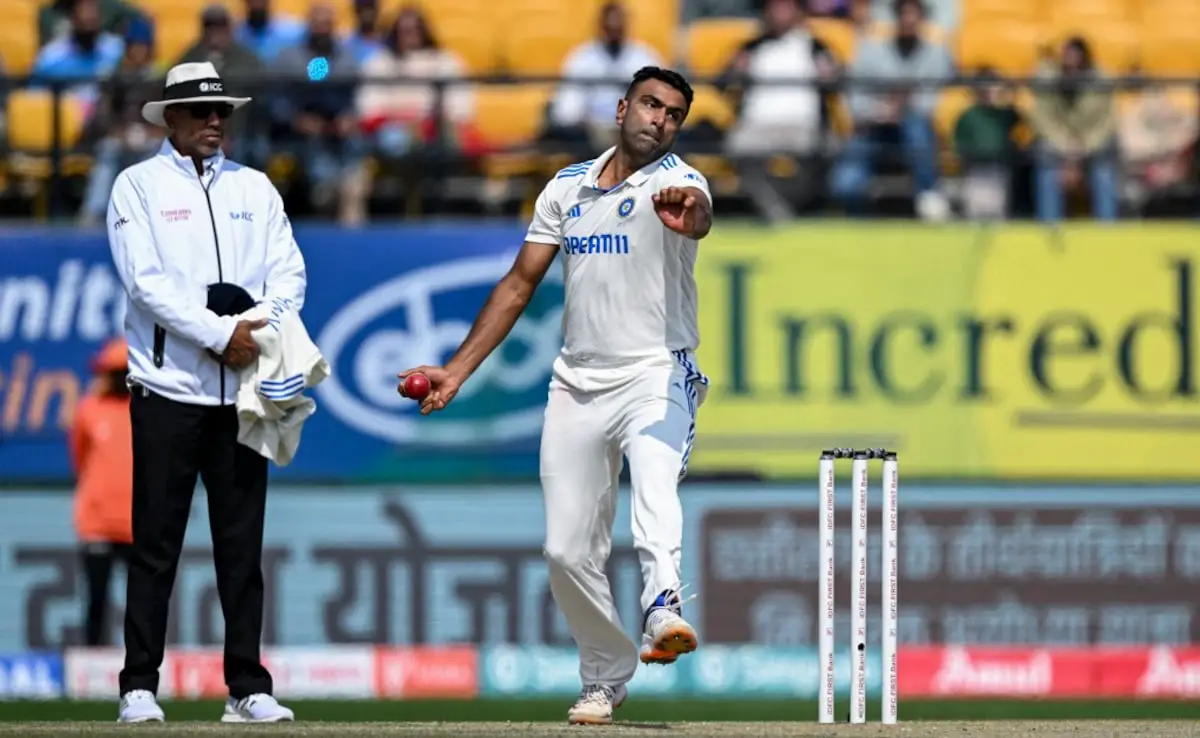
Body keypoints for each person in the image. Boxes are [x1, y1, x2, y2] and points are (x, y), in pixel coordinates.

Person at [397, 66, 713, 726]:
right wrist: (457, 370)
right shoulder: (565, 189)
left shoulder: (680, 183)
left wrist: (693, 216)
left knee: (655, 483)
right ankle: (604, 675)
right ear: (624, 107)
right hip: (577, 381)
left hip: (657, 371)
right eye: (652, 105)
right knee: (566, 552)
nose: (661, 119)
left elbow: (701, 214)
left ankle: (663, 606)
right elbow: (517, 286)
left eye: (674, 114)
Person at [105, 61, 305, 724]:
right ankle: (139, 686)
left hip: (243, 394)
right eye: (201, 111)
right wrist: (222, 335)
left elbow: (289, 275)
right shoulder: (136, 187)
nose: (215, 121)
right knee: (155, 545)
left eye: (222, 111)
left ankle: (247, 687)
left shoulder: (256, 189)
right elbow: (147, 286)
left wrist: (255, 330)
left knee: (242, 551)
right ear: (172, 118)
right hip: (168, 389)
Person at [69, 337, 133, 648]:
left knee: (143, 604)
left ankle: (143, 665)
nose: (119, 379)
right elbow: (80, 459)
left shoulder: (146, 410)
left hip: (137, 524)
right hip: (97, 525)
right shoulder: (89, 409)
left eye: (124, 371)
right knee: (96, 599)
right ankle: (91, 662)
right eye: (114, 372)